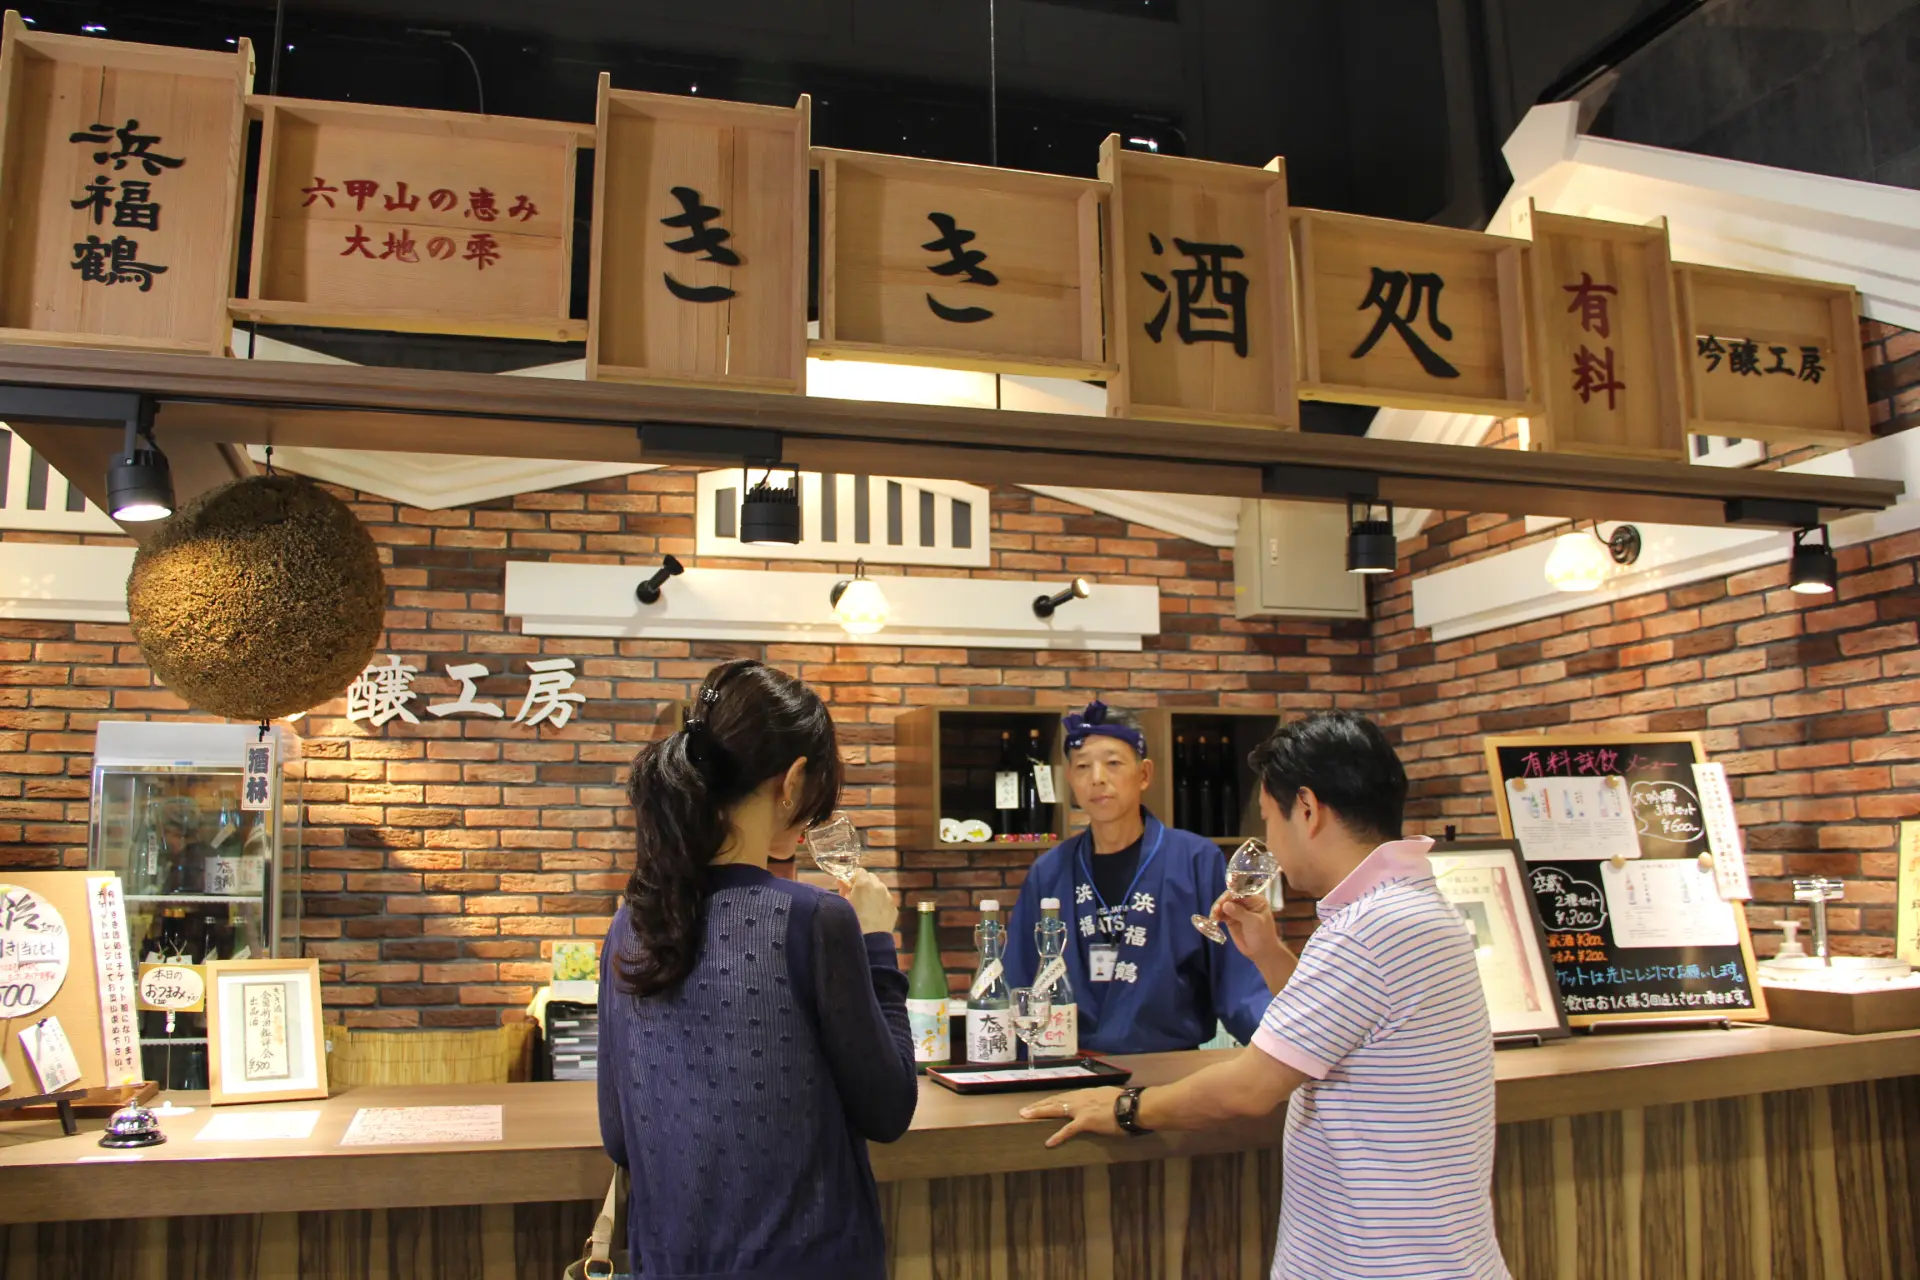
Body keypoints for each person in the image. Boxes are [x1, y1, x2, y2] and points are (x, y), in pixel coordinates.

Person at [1022, 710, 1508, 1280]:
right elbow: (1336, 1030)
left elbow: (1251, 1088)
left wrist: (1125, 1107)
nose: (1269, 840)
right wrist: (1271, 956)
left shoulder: (1364, 929)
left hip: (1380, 1263)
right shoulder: (1415, 907)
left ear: (1307, 809)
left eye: (1269, 818)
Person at [597, 659, 917, 1280]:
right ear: (793, 781)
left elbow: (618, 1135)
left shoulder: (629, 924)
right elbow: (888, 1110)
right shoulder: (815, 918)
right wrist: (877, 942)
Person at [1002, 699, 1272, 1053]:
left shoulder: (1196, 860)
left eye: (1113, 763)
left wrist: (1285, 1056)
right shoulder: (1050, 871)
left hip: (1172, 1072)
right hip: (1071, 1065)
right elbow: (1019, 980)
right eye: (1082, 766)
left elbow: (1239, 982)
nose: (1097, 778)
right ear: (1070, 779)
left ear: (1144, 774)